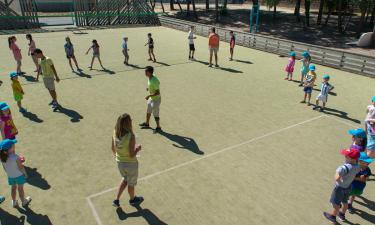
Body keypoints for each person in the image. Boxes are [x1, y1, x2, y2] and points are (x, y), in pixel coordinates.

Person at [112, 113, 143, 207]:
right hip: (131, 165)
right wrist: (138, 149)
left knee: (125, 179)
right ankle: (133, 199)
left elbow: (113, 149)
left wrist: (119, 157)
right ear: (128, 123)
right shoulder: (130, 136)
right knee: (131, 183)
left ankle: (116, 200)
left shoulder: (115, 132)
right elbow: (131, 155)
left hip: (119, 162)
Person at [323, 148, 360, 223]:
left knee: (335, 203)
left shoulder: (344, 168)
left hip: (339, 188)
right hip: (348, 187)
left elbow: (337, 178)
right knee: (345, 201)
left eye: (346, 156)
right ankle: (342, 215)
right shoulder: (358, 167)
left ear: (350, 158)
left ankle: (332, 216)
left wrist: (339, 180)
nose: (345, 157)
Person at [0, 139, 31, 208]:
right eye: (13, 144)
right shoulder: (16, 157)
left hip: (10, 177)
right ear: (10, 148)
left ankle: (14, 202)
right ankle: (24, 201)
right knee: (20, 189)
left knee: (13, 188)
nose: (14, 145)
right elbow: (21, 167)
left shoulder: (2, 158)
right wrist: (25, 174)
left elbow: (5, 168)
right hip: (19, 176)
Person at [139, 66, 162, 133]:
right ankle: (147, 123)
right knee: (148, 111)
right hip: (151, 98)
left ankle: (158, 127)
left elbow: (158, 93)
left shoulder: (153, 81)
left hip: (156, 100)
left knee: (155, 114)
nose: (145, 72)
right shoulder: (151, 77)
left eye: (146, 71)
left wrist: (149, 95)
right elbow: (158, 82)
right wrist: (149, 88)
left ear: (149, 72)